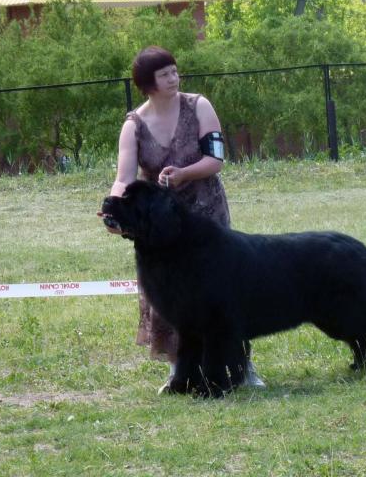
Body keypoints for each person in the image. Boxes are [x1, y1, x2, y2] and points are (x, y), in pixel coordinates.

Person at [99, 45, 264, 393]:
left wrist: (183, 174)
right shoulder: (133, 125)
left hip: (206, 215)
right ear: (147, 83)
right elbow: (124, 176)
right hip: (159, 226)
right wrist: (113, 208)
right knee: (169, 296)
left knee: (222, 295)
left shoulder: (198, 105)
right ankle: (181, 372)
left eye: (174, 71)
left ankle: (243, 365)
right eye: (164, 74)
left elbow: (216, 160)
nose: (174, 78)